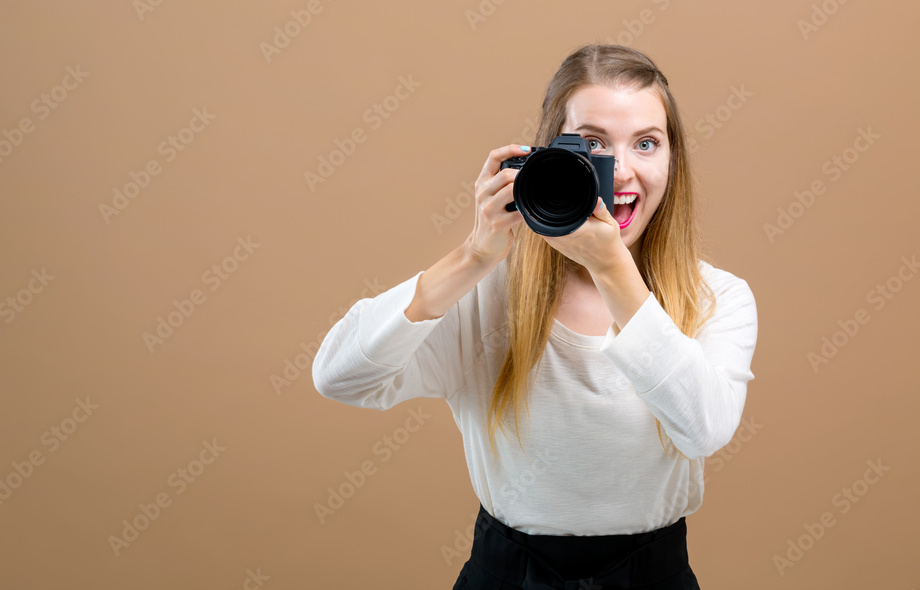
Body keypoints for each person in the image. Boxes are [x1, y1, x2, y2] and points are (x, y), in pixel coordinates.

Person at [312, 44, 758, 590]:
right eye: (593, 144)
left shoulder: (716, 295)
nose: (619, 171)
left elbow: (704, 428)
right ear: (553, 157)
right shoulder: (488, 294)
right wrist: (473, 257)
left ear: (672, 161)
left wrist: (612, 270)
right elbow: (340, 377)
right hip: (507, 574)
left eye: (646, 143)